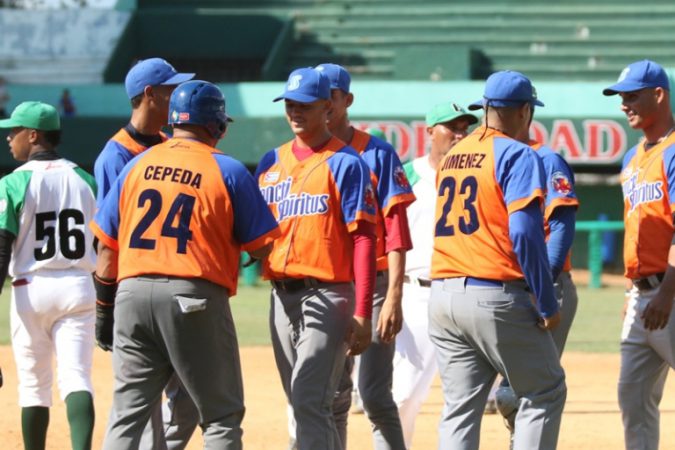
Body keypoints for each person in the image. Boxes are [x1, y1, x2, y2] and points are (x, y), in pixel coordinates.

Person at [91, 79, 280, 449]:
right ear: (216, 125)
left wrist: (104, 310)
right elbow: (261, 246)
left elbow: (107, 249)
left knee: (128, 416)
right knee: (221, 417)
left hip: (130, 294)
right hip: (192, 295)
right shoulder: (227, 170)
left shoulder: (136, 164)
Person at [428, 70, 566, 450]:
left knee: (459, 409)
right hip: (493, 293)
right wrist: (546, 299)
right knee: (544, 391)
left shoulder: (453, 154)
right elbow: (524, 233)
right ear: (524, 111)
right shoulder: (517, 153)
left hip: (442, 294)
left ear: (484, 108)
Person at [255, 67, 377, 450]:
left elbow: (365, 239)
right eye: (290, 104)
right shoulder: (269, 163)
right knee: (303, 402)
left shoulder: (347, 163)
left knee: (310, 400)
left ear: (328, 107)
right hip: (279, 295)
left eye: (304, 105)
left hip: (327, 294)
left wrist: (362, 311)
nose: (295, 112)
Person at [92, 57, 197, 450]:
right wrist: (105, 305)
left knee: (190, 399)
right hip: (133, 288)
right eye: (171, 90)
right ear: (150, 95)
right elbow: (109, 236)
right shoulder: (115, 155)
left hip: (179, 284)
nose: (178, 96)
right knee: (144, 401)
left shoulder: (176, 145)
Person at [316, 62, 415, 450]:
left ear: (347, 100)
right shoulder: (308, 153)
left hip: (372, 285)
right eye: (317, 97)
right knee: (331, 394)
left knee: (373, 394)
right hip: (327, 285)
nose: (324, 104)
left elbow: (397, 230)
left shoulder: (377, 152)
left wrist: (393, 294)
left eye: (332, 97)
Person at [0, 101, 98, 450]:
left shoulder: (13, 183)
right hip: (78, 285)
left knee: (33, 385)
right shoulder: (85, 179)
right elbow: (101, 241)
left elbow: (1, 247)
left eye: (14, 131)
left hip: (31, 287)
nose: (9, 137)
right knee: (77, 378)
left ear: (33, 135)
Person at [488, 95, 580, 435]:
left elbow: (561, 227)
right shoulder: (491, 159)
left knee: (521, 391)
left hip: (544, 286)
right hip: (507, 287)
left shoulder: (546, 158)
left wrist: (543, 284)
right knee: (511, 391)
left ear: (525, 113)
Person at [392, 101, 478, 448]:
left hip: (465, 290)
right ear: (429, 131)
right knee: (403, 395)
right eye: (451, 127)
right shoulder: (406, 174)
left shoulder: (476, 173)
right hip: (417, 292)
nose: (459, 134)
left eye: (464, 127)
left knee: (463, 400)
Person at [603, 59, 675, 450]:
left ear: (658, 94)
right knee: (633, 400)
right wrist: (635, 289)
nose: (623, 104)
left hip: (670, 293)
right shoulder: (631, 159)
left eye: (631, 95)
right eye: (620, 97)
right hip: (641, 298)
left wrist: (665, 291)